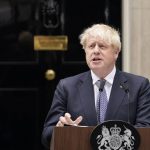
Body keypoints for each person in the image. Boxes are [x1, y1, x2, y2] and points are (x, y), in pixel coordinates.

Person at [41, 23, 150, 149]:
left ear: (116, 52)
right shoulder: (67, 87)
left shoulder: (139, 86)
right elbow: (47, 134)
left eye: (102, 46)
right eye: (91, 46)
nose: (96, 51)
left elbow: (145, 130)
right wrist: (59, 129)